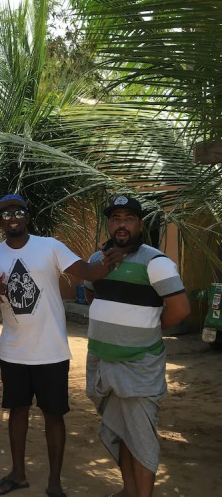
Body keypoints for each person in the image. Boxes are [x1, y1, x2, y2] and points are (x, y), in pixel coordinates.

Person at [0, 194, 123, 497]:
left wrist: (111, 256)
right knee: (17, 412)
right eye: (6, 214)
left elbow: (87, 271)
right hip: (13, 351)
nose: (13, 217)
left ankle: (54, 482)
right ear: (0, 222)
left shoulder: (50, 246)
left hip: (51, 350)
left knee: (54, 416)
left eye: (19, 212)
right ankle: (18, 474)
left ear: (28, 217)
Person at [84, 196, 190, 497]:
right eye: (115, 218)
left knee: (141, 439)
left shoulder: (156, 263)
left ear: (140, 225)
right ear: (108, 224)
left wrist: (145, 329)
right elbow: (92, 296)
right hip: (103, 362)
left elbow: (180, 310)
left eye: (128, 218)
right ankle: (129, 490)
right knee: (122, 432)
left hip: (138, 366)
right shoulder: (97, 260)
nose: (121, 224)